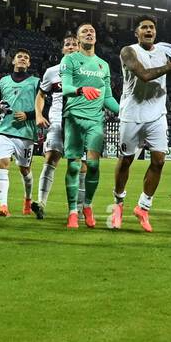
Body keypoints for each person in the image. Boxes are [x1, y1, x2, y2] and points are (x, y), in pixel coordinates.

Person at [111, 17, 171, 231]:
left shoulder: (164, 51)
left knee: (159, 161)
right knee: (126, 160)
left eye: (152, 27)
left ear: (155, 32)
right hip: (131, 115)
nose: (148, 30)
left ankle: (143, 207)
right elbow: (144, 75)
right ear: (136, 32)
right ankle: (118, 203)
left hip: (157, 114)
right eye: (144, 27)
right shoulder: (128, 51)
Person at [59, 23, 121, 228]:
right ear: (78, 39)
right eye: (84, 31)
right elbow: (66, 86)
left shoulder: (103, 65)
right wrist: (79, 90)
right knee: (74, 165)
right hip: (74, 117)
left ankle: (87, 205)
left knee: (93, 165)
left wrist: (125, 111)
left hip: (96, 120)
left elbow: (108, 98)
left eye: (92, 31)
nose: (89, 33)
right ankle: (72, 211)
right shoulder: (70, 59)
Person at [0, 49, 42, 218]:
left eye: (26, 58)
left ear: (29, 64)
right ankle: (3, 206)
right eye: (19, 57)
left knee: (25, 169)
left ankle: (28, 199)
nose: (22, 59)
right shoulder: (3, 81)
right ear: (13, 61)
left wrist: (28, 115)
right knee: (3, 163)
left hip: (26, 132)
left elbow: (43, 108)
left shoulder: (36, 82)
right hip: (4, 130)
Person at [34, 34, 79, 209]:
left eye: (74, 44)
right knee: (51, 157)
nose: (71, 47)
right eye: (67, 44)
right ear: (62, 49)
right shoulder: (52, 71)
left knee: (78, 164)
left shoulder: (86, 70)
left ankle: (78, 209)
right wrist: (39, 114)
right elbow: (41, 95)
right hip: (57, 119)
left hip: (79, 121)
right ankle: (41, 203)